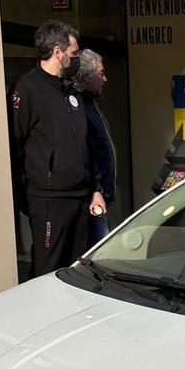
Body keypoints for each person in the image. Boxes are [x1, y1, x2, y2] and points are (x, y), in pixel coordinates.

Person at [9, 20, 103, 277]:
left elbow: (87, 144)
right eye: (73, 53)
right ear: (57, 52)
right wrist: (27, 196)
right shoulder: (26, 89)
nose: (76, 58)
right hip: (49, 200)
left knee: (76, 271)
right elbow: (16, 146)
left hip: (81, 198)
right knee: (48, 270)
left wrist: (95, 189)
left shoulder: (71, 90)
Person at [76, 49, 116, 242]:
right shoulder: (79, 109)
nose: (105, 79)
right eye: (101, 73)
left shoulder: (92, 106)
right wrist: (96, 189)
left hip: (103, 195)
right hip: (93, 198)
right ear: (84, 79)